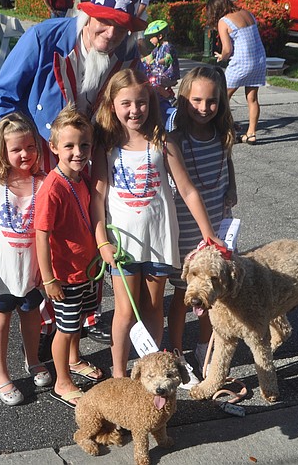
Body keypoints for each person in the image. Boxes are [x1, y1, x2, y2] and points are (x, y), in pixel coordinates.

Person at [0, 0, 162, 347]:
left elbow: (140, 107)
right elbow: (2, 97)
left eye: (121, 26)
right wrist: (6, 156)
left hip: (89, 169)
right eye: (103, 21)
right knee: (41, 256)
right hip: (37, 168)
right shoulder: (45, 38)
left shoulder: (127, 54)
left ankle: (74, 331)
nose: (111, 32)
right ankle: (45, 345)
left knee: (87, 248)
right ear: (86, 11)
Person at [91, 68, 222, 378]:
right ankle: (120, 376)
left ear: (150, 103)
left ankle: (150, 372)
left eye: (141, 103)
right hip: (123, 244)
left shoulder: (162, 141)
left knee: (152, 308)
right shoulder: (106, 146)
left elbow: (187, 190)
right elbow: (97, 199)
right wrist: (102, 243)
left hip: (160, 240)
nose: (135, 110)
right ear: (113, 105)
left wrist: (208, 234)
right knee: (124, 312)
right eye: (126, 104)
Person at [165, 66, 237, 387]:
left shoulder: (222, 134)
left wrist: (232, 188)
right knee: (184, 293)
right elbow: (184, 188)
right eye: (196, 100)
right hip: (188, 228)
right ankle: (176, 351)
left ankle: (203, 347)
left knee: (213, 293)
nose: (204, 108)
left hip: (217, 222)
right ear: (183, 99)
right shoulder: (176, 139)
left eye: (211, 101)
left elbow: (226, 162)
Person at [0, 113, 51, 406]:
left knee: (32, 317)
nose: (25, 154)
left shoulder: (42, 183)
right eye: (16, 149)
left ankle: (32, 360)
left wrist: (47, 267)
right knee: (0, 320)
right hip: (0, 271)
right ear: (1, 152)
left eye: (30, 147)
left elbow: (49, 231)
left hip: (30, 269)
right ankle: (0, 374)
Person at [34, 105, 105, 407]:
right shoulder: (52, 187)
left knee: (78, 323)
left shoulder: (81, 177)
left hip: (86, 269)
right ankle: (62, 382)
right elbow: (41, 235)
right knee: (65, 329)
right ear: (53, 147)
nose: (78, 152)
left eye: (84, 145)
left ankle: (74, 360)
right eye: (69, 146)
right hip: (64, 274)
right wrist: (49, 278)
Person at [205, 0, 266, 145]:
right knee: (252, 98)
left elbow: (227, 49)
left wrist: (221, 57)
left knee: (222, 97)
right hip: (259, 60)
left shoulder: (223, 21)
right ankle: (251, 134)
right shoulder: (248, 14)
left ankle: (224, 130)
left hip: (241, 63)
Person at [140, 19, 179, 119]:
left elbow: (168, 58)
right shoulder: (157, 48)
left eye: (151, 37)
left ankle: (171, 99)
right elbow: (149, 57)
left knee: (154, 84)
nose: (150, 40)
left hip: (168, 75)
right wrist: (139, 60)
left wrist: (157, 62)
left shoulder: (167, 47)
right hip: (160, 74)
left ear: (160, 36)